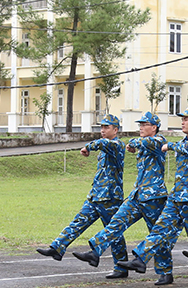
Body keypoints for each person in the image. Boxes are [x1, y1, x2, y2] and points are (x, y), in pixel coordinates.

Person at [117, 106, 188, 288]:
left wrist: (171, 145)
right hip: (177, 196)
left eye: (187, 119)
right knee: (160, 228)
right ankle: (140, 258)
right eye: (182, 119)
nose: (183, 122)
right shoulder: (184, 141)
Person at [71, 113, 168, 279]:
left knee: (156, 234)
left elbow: (141, 142)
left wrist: (132, 143)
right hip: (137, 195)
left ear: (154, 127)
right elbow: (136, 144)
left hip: (154, 197)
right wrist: (133, 144)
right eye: (140, 125)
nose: (141, 127)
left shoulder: (158, 141)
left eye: (145, 125)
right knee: (116, 222)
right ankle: (95, 251)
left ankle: (165, 272)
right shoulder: (144, 144)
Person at [37, 114, 125, 264]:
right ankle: (58, 247)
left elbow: (103, 143)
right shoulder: (104, 147)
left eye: (107, 127)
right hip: (96, 195)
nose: (103, 130)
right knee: (78, 221)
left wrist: (87, 147)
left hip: (110, 198)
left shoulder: (117, 146)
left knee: (113, 233)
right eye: (101, 127)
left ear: (115, 130)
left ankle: (121, 267)